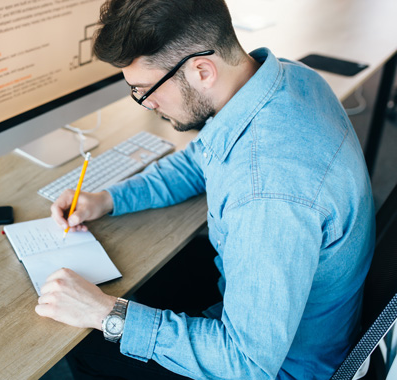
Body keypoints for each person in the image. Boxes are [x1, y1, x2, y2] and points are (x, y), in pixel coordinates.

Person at [35, 0, 375, 378]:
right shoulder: (286, 80)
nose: (147, 105)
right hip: (278, 313)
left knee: (89, 345)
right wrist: (109, 199)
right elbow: (202, 157)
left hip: (279, 367)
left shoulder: (266, 194)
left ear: (201, 71)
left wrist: (105, 313)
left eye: (145, 90)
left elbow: (246, 365)